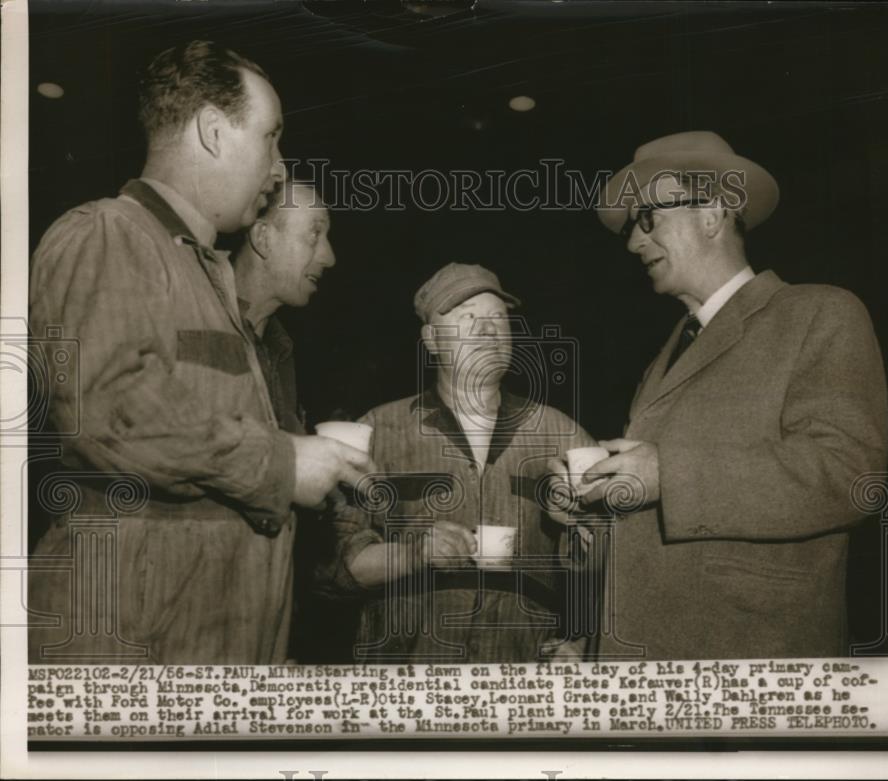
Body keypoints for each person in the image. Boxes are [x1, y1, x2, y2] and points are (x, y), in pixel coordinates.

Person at [28, 41, 375, 664]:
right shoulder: (108, 234)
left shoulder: (207, 275)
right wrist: (283, 463)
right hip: (127, 660)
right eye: (270, 138)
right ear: (214, 133)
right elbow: (106, 411)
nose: (277, 166)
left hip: (200, 653)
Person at [570, 131, 888, 659]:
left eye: (648, 219)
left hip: (749, 657)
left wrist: (666, 475)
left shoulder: (820, 313)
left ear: (712, 214)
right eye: (631, 226)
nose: (633, 242)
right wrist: (596, 510)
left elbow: (850, 474)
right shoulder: (664, 356)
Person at [317, 263, 597, 662]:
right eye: (468, 318)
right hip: (407, 684)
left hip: (522, 679)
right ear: (431, 340)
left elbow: (619, 555)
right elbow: (328, 570)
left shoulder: (562, 435)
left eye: (498, 318)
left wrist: (586, 640)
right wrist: (413, 556)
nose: (488, 330)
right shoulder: (377, 430)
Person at [233, 180, 336, 434]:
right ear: (263, 238)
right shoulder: (199, 322)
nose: (329, 258)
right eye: (314, 234)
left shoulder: (279, 348)